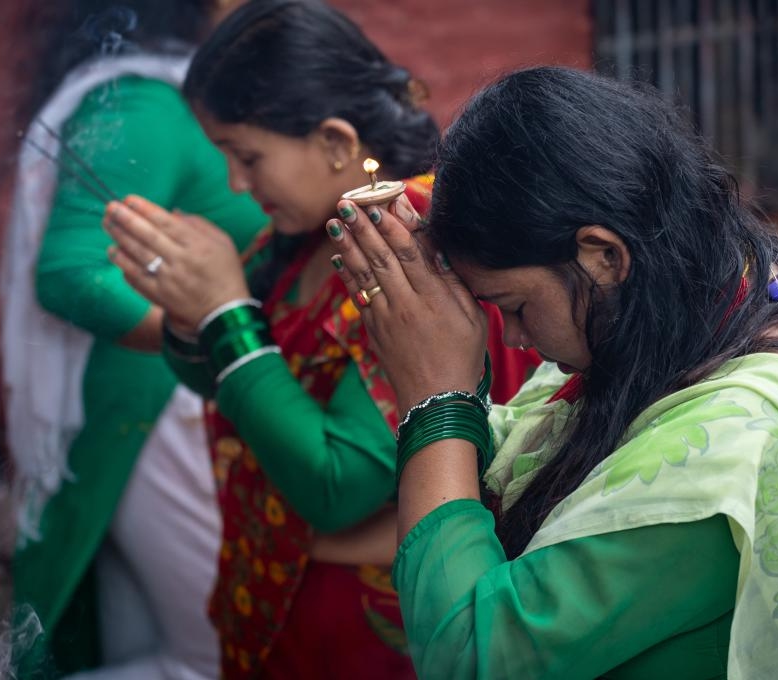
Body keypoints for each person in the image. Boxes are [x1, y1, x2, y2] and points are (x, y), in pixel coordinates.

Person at [327, 66, 778, 679]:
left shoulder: (731, 457)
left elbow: (471, 656)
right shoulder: (730, 300)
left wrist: (437, 401)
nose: (517, 341)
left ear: (604, 256)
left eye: (515, 307)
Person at [102, 1, 539, 677]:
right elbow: (238, 381)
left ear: (336, 142)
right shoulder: (307, 236)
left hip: (371, 631)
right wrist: (194, 315)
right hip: (287, 608)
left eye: (247, 156)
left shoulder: (401, 237)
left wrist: (224, 314)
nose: (235, 184)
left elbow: (337, 485)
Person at [0, 1, 267, 677]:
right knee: (221, 655)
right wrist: (212, 343)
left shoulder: (189, 93)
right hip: (158, 415)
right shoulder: (142, 104)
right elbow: (69, 270)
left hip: (201, 409)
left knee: (152, 648)